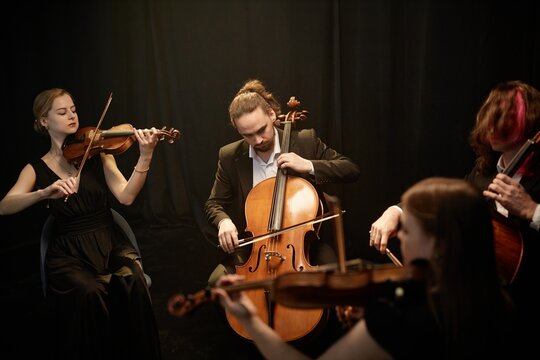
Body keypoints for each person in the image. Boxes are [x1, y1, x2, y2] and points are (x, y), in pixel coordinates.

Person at [216, 177, 516, 359]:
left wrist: (252, 321)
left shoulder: (400, 319)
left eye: (407, 230)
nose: (399, 238)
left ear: (439, 244)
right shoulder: (499, 303)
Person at [370, 80, 540, 355]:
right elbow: (447, 202)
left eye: (502, 120)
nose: (491, 129)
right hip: (479, 306)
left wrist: (532, 210)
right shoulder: (484, 171)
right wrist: (397, 211)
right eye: (488, 119)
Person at [0, 88, 162, 359]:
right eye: (62, 112)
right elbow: (5, 206)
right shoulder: (35, 168)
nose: (72, 116)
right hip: (69, 254)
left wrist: (145, 156)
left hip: (109, 243)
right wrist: (44, 192)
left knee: (132, 279)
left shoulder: (98, 152)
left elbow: (126, 195)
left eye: (73, 109)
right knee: (89, 292)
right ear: (43, 121)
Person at [205, 78, 361, 283]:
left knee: (335, 282)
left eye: (261, 130)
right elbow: (214, 203)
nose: (257, 140)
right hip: (256, 248)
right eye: (248, 135)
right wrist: (224, 221)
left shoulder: (305, 141)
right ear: (237, 129)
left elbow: (351, 170)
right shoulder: (230, 156)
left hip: (305, 245)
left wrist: (309, 165)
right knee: (216, 283)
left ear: (271, 114)